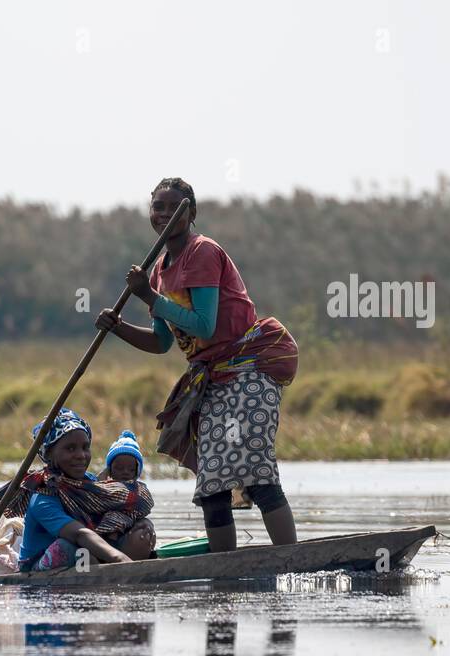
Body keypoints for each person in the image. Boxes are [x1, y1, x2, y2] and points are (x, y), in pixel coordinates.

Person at [96, 177, 299, 553]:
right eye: (158, 207)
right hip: (211, 379)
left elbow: (204, 325)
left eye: (174, 208)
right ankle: (223, 571)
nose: (165, 215)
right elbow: (161, 342)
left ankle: (291, 558)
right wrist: (119, 327)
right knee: (214, 483)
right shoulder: (158, 270)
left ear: (191, 213)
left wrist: (149, 296)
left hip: (247, 368)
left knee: (255, 470)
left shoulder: (202, 252)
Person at [0, 408, 154, 571]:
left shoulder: (91, 484)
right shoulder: (43, 496)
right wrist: (119, 558)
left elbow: (120, 516)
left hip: (86, 557)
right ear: (49, 454)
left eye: (85, 447)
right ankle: (118, 567)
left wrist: (144, 523)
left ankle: (121, 571)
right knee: (69, 546)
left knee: (141, 534)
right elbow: (79, 534)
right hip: (41, 566)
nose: (81, 455)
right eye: (70, 449)